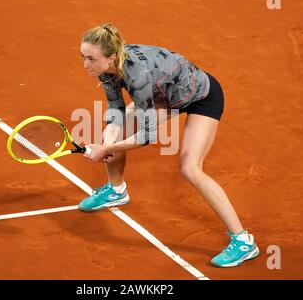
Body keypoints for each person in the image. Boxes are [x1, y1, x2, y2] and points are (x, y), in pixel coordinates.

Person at [78, 23, 259, 268]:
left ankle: (243, 241)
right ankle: (116, 190)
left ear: (111, 57)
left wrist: (108, 149)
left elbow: (147, 136)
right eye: (83, 57)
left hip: (201, 97)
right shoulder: (106, 68)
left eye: (91, 58)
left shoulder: (137, 76)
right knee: (115, 129)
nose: (85, 64)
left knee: (190, 168)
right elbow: (116, 109)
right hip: (165, 95)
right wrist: (109, 140)